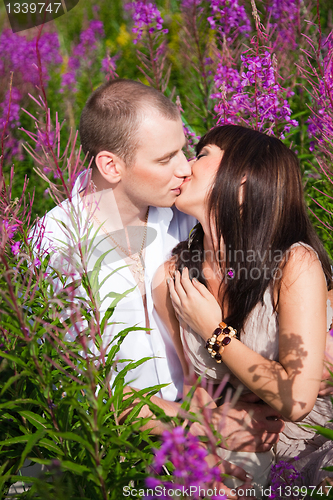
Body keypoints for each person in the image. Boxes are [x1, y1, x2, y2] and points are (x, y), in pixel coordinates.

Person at [38, 80, 284, 497]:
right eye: (166, 158)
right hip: (115, 456)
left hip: (222, 424)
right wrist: (196, 431)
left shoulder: (188, 216)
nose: (185, 168)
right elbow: (79, 386)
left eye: (185, 151)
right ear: (111, 166)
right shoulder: (54, 246)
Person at [152, 124, 333, 497]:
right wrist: (203, 465)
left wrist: (213, 331)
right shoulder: (173, 276)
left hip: (310, 446)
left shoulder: (294, 264)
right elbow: (194, 392)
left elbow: (297, 401)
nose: (185, 166)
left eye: (201, 155)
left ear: (243, 179)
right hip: (238, 445)